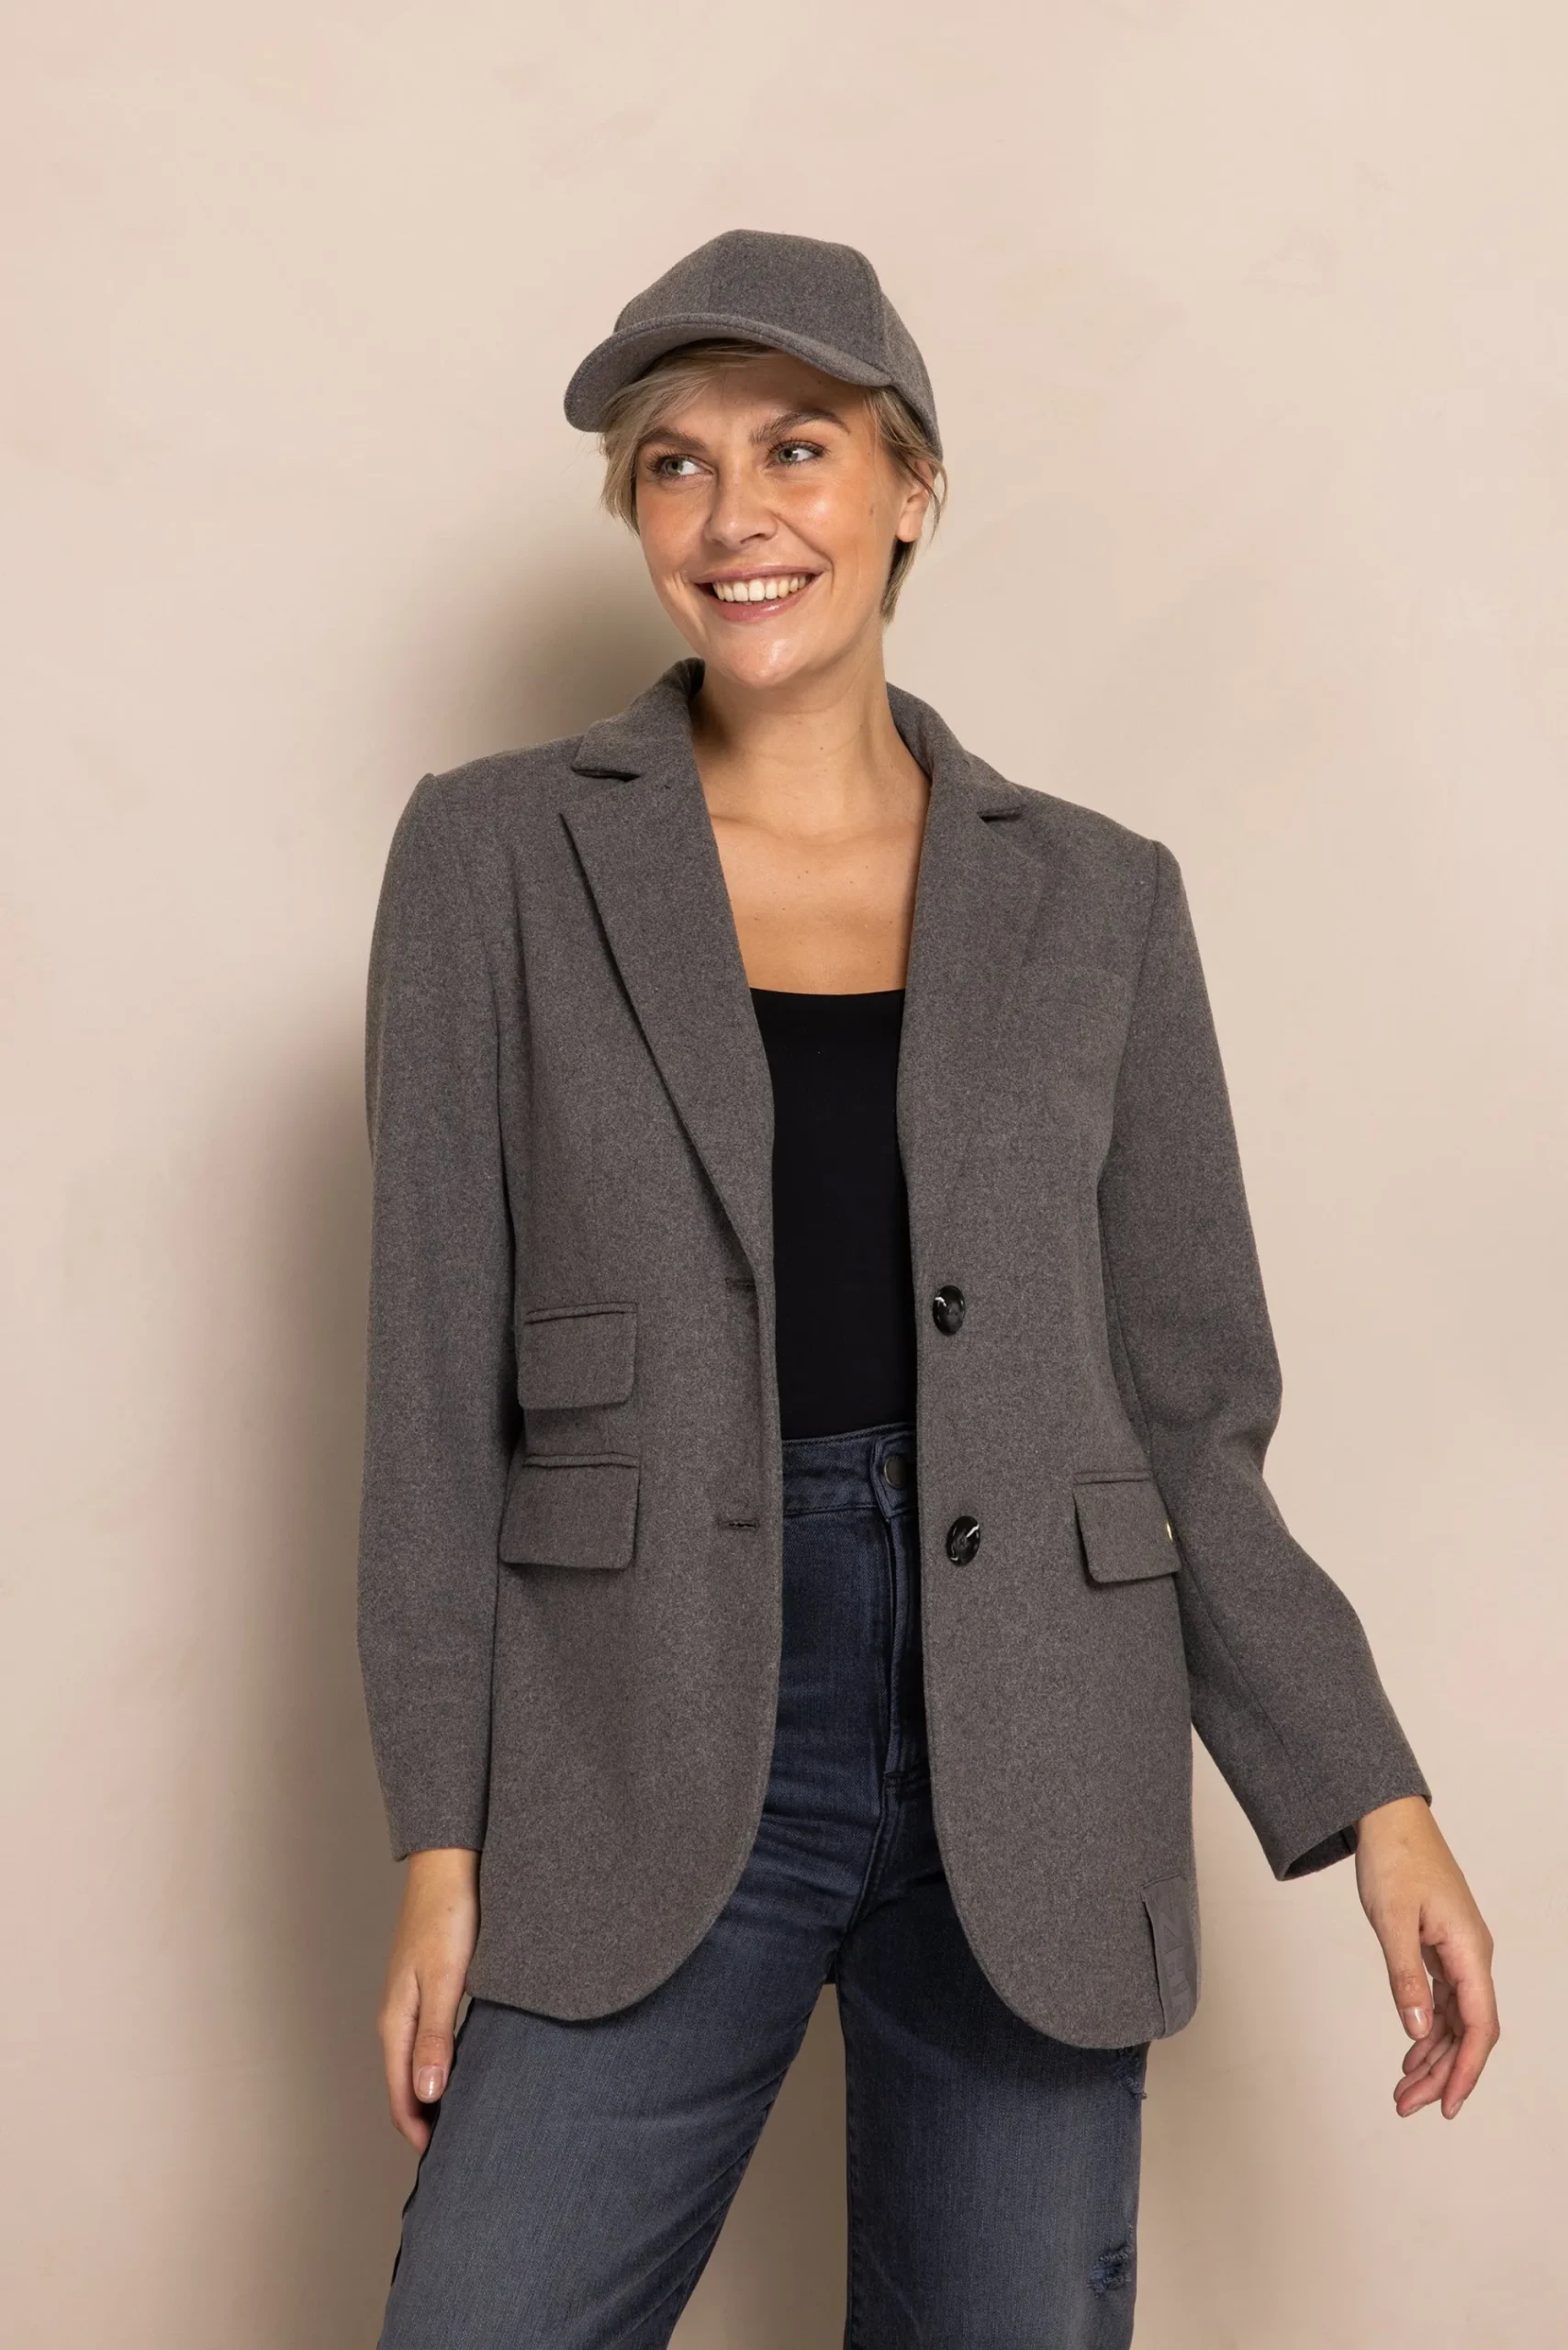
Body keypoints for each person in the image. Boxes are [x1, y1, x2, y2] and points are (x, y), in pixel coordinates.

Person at [356, 229, 1497, 2350]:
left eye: (795, 446)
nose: (734, 512)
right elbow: (432, 1407)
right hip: (638, 1728)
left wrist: (1372, 1798)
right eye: (676, 464)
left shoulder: (1098, 901)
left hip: (1038, 1732)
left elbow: (1187, 1422)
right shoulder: (494, 860)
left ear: (909, 485)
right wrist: (439, 1845)